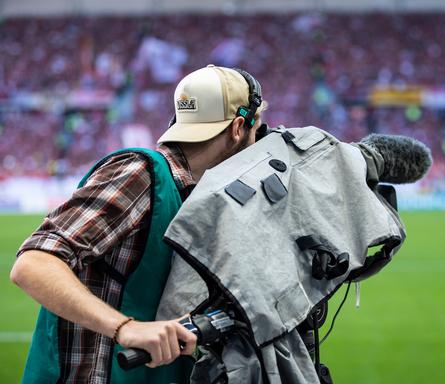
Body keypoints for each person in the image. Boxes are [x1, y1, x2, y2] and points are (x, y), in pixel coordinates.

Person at [10, 64, 266, 384]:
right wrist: (126, 328)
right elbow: (34, 263)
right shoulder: (141, 174)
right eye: (258, 131)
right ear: (238, 127)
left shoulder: (191, 195)